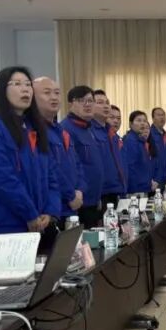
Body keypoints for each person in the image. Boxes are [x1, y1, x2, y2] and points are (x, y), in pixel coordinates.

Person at [0, 67, 57, 236]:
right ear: (2, 90)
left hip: (38, 224)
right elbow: (0, 179)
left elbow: (51, 175)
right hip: (4, 226)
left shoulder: (34, 128)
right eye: (17, 84)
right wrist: (29, 213)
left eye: (28, 84)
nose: (25, 89)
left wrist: (50, 211)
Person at [33, 77, 84, 221]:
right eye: (47, 93)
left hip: (73, 207)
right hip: (52, 211)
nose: (54, 97)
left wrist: (80, 190)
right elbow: (52, 169)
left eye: (57, 93)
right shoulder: (34, 131)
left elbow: (77, 164)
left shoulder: (61, 130)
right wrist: (71, 195)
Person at [61, 85, 105, 227]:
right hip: (78, 202)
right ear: (70, 104)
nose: (87, 104)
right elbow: (67, 167)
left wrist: (97, 196)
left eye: (90, 101)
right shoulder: (66, 129)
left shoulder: (88, 128)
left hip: (93, 200)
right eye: (81, 100)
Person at [92, 89, 127, 208]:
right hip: (101, 194)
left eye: (107, 102)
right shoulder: (90, 131)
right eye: (100, 102)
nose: (106, 106)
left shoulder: (112, 134)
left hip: (116, 191)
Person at [123, 110, 158, 194]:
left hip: (145, 187)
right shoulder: (130, 141)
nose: (142, 123)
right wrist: (134, 192)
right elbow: (130, 169)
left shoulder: (141, 141)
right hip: (136, 191)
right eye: (139, 120)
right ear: (131, 124)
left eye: (144, 121)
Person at [148, 107, 166, 189]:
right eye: (159, 115)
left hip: (164, 179)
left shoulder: (164, 134)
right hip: (154, 181)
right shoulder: (148, 134)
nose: (162, 117)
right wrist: (152, 179)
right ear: (153, 118)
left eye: (163, 115)